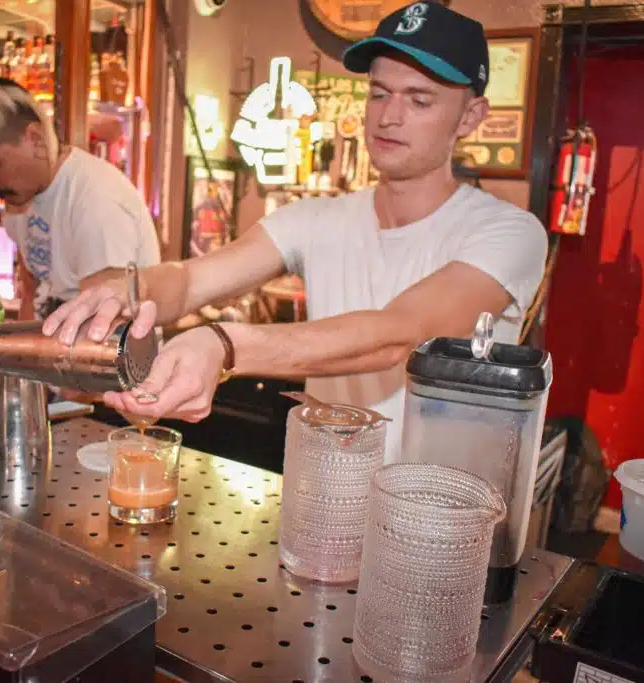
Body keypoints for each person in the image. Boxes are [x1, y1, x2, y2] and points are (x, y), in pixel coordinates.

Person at [42, 1, 549, 463]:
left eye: (420, 100)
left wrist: (225, 345)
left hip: (438, 519)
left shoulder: (508, 232)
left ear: (471, 117)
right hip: (328, 503)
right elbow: (192, 281)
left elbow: (401, 336)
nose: (390, 117)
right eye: (379, 93)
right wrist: (129, 290)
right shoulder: (316, 219)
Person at [0, 78, 161, 320]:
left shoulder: (96, 201)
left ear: (35, 139)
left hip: (107, 353)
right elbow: (31, 293)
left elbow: (105, 325)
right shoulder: (20, 199)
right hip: (59, 350)